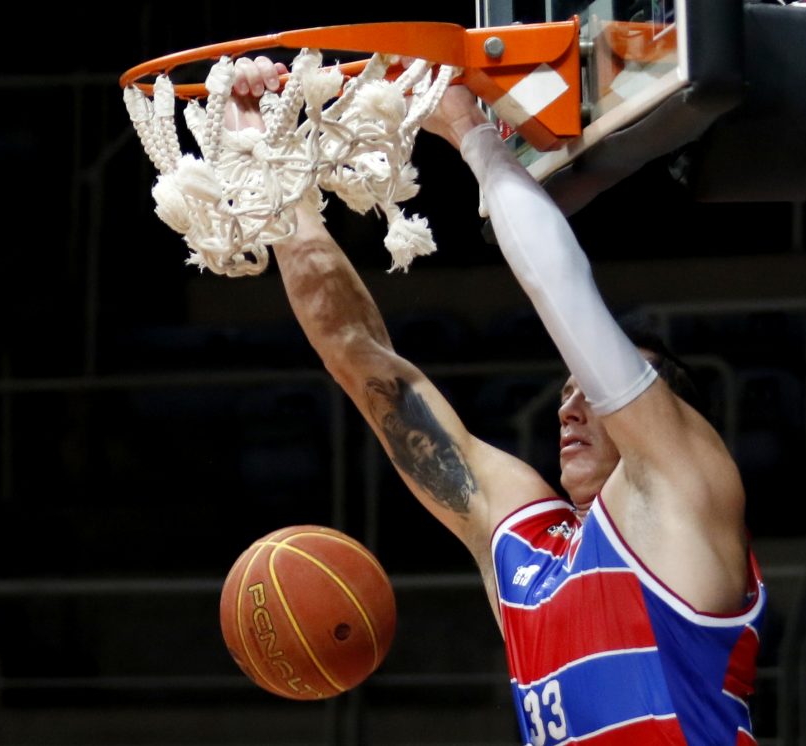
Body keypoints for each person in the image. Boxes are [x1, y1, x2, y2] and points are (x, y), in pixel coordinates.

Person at [228, 56, 765, 746]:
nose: (570, 408)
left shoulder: (689, 488)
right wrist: (273, 169)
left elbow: (566, 298)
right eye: (565, 394)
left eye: (594, 394)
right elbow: (359, 359)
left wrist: (471, 132)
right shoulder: (525, 548)